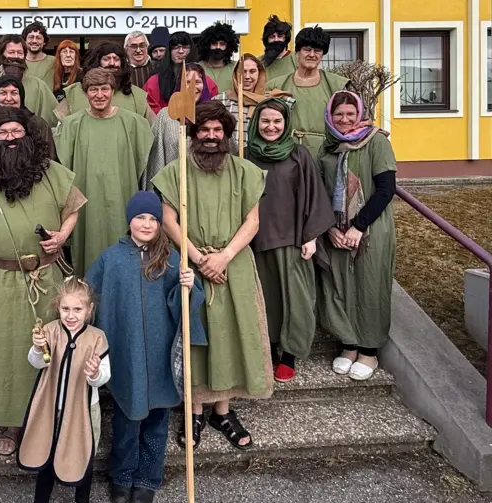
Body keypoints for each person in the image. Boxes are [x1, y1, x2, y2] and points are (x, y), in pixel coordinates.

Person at [0, 106, 87, 456]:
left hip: (47, 277)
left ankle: (51, 417)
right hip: (0, 279)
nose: (11, 138)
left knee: (51, 348)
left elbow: (73, 207)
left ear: (28, 136)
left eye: (17, 132)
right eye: (3, 133)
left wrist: (62, 235)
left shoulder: (51, 173)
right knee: (8, 352)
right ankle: (12, 422)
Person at [151, 101, 273, 452]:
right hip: (191, 264)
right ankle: (194, 410)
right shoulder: (177, 172)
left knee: (229, 336)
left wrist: (224, 257)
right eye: (204, 130)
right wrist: (200, 258)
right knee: (194, 337)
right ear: (193, 133)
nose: (210, 136)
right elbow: (168, 220)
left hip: (232, 264)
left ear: (227, 134)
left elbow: (252, 221)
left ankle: (223, 410)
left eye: (217, 130)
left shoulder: (245, 171)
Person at [85, 191, 206, 503]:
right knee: (127, 422)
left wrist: (189, 285)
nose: (147, 223)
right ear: (129, 220)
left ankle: (148, 479)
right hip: (127, 356)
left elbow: (189, 303)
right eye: (141, 217)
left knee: (157, 423)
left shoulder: (171, 258)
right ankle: (122, 477)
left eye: (153, 218)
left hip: (160, 357)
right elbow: (88, 296)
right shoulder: (111, 258)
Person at [245, 98, 335, 382]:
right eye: (265, 121)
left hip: (292, 239)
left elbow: (313, 194)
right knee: (266, 300)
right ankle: (268, 350)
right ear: (256, 122)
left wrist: (311, 236)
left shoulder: (298, 154)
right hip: (255, 239)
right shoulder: (245, 154)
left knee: (294, 299)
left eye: (277, 121)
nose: (271, 126)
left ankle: (289, 354)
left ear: (286, 124)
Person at [316, 91, 397, 381]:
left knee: (369, 285)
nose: (345, 119)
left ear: (360, 113)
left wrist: (358, 226)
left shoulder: (376, 141)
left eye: (351, 113)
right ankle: (348, 344)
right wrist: (330, 228)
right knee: (339, 286)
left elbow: (386, 190)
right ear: (329, 116)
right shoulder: (327, 148)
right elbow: (320, 194)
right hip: (336, 229)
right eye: (339, 114)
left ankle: (369, 350)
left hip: (370, 228)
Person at [18, 278, 110, 503]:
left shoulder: (97, 337)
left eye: (77, 309)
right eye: (66, 308)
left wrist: (95, 374)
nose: (71, 315)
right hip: (52, 407)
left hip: (85, 409)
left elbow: (103, 377)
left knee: (83, 453)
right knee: (46, 452)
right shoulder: (49, 331)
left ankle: (82, 502)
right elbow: (39, 363)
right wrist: (39, 349)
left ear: (89, 310)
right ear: (58, 307)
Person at [55, 68, 153, 276]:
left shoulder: (134, 124)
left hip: (121, 199)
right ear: (85, 93)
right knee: (88, 259)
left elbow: (144, 166)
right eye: (93, 90)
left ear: (113, 91)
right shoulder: (72, 125)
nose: (99, 95)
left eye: (104, 89)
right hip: (86, 208)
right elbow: (64, 172)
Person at [266, 26, 350, 159]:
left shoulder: (336, 86)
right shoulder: (275, 86)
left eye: (317, 50)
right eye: (307, 49)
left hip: (325, 155)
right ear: (297, 52)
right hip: (286, 154)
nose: (312, 54)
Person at [146, 62, 212, 188]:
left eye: (197, 82)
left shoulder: (214, 115)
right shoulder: (166, 115)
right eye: (187, 82)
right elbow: (156, 158)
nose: (193, 86)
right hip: (173, 187)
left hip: (205, 186)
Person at [55, 41, 155, 122]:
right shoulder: (75, 93)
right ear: (97, 62)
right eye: (106, 59)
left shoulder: (136, 96)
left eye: (116, 59)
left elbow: (152, 130)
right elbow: (60, 128)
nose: (112, 63)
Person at [213, 54, 292, 155]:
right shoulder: (221, 101)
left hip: (261, 159)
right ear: (235, 74)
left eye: (252, 71)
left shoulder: (271, 101)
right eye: (242, 72)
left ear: (260, 73)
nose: (247, 76)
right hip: (230, 160)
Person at [143, 31, 218, 114]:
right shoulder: (153, 82)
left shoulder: (206, 82)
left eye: (185, 47)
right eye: (176, 47)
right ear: (169, 51)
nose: (181, 51)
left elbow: (212, 110)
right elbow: (150, 112)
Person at [0, 35, 59, 127]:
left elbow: (53, 119)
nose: (16, 56)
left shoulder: (39, 86)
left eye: (20, 53)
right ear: (2, 55)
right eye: (11, 52)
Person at [197, 21, 240, 93]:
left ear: (228, 46)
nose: (218, 47)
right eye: (214, 43)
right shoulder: (197, 68)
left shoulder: (236, 68)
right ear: (207, 45)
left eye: (222, 44)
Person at [261, 15, 297, 81]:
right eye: (272, 37)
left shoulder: (296, 59)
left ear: (286, 39)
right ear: (267, 39)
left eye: (280, 36)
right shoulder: (258, 62)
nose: (276, 40)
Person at [23, 22, 56, 88]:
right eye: (31, 37)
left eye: (38, 38)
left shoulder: (55, 62)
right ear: (25, 41)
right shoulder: (18, 62)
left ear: (44, 42)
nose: (34, 41)